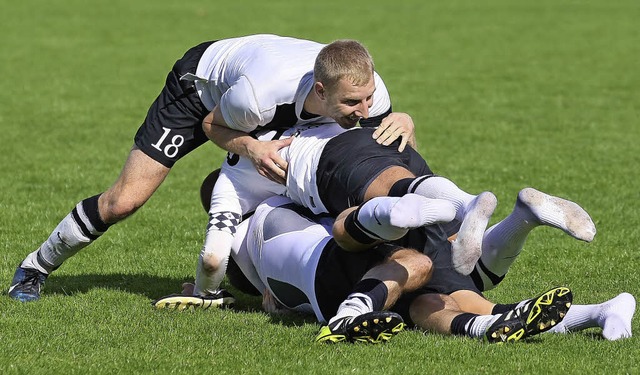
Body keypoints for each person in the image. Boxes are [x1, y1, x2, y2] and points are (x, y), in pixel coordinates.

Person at [8, 34, 416, 302]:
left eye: (367, 102)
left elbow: (382, 155)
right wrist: (252, 148)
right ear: (323, 91)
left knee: (311, 180)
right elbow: (213, 125)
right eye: (352, 106)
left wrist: (405, 123)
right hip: (203, 95)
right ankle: (35, 267)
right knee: (124, 201)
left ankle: (274, 278)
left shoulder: (365, 92)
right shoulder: (256, 98)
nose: (365, 112)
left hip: (282, 95)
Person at [188, 121, 597, 302]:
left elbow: (213, 256)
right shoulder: (295, 125)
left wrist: (204, 292)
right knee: (462, 276)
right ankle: (514, 216)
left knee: (363, 229)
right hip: (378, 141)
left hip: (335, 172)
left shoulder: (236, 192)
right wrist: (399, 116)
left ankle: (447, 210)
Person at [155, 195, 574, 344]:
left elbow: (246, 284)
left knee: (423, 301)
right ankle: (349, 315)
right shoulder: (270, 203)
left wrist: (200, 290)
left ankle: (489, 326)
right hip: (323, 266)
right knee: (419, 261)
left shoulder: (238, 254)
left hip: (312, 282)